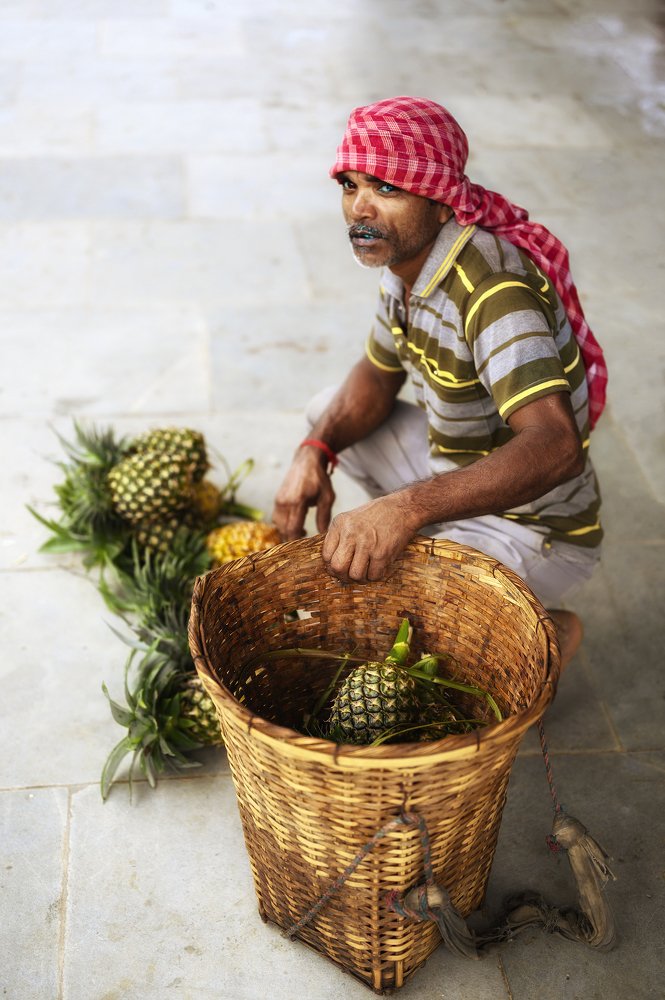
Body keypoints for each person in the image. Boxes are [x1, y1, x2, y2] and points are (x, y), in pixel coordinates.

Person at [272, 97, 607, 668]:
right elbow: (376, 377)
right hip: (457, 470)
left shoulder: (493, 291)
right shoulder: (404, 266)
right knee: (325, 411)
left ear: (439, 197)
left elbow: (556, 448)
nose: (360, 209)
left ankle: (545, 627)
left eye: (386, 188)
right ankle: (444, 540)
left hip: (535, 524)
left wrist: (403, 510)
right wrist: (315, 451)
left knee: (405, 633)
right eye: (350, 185)